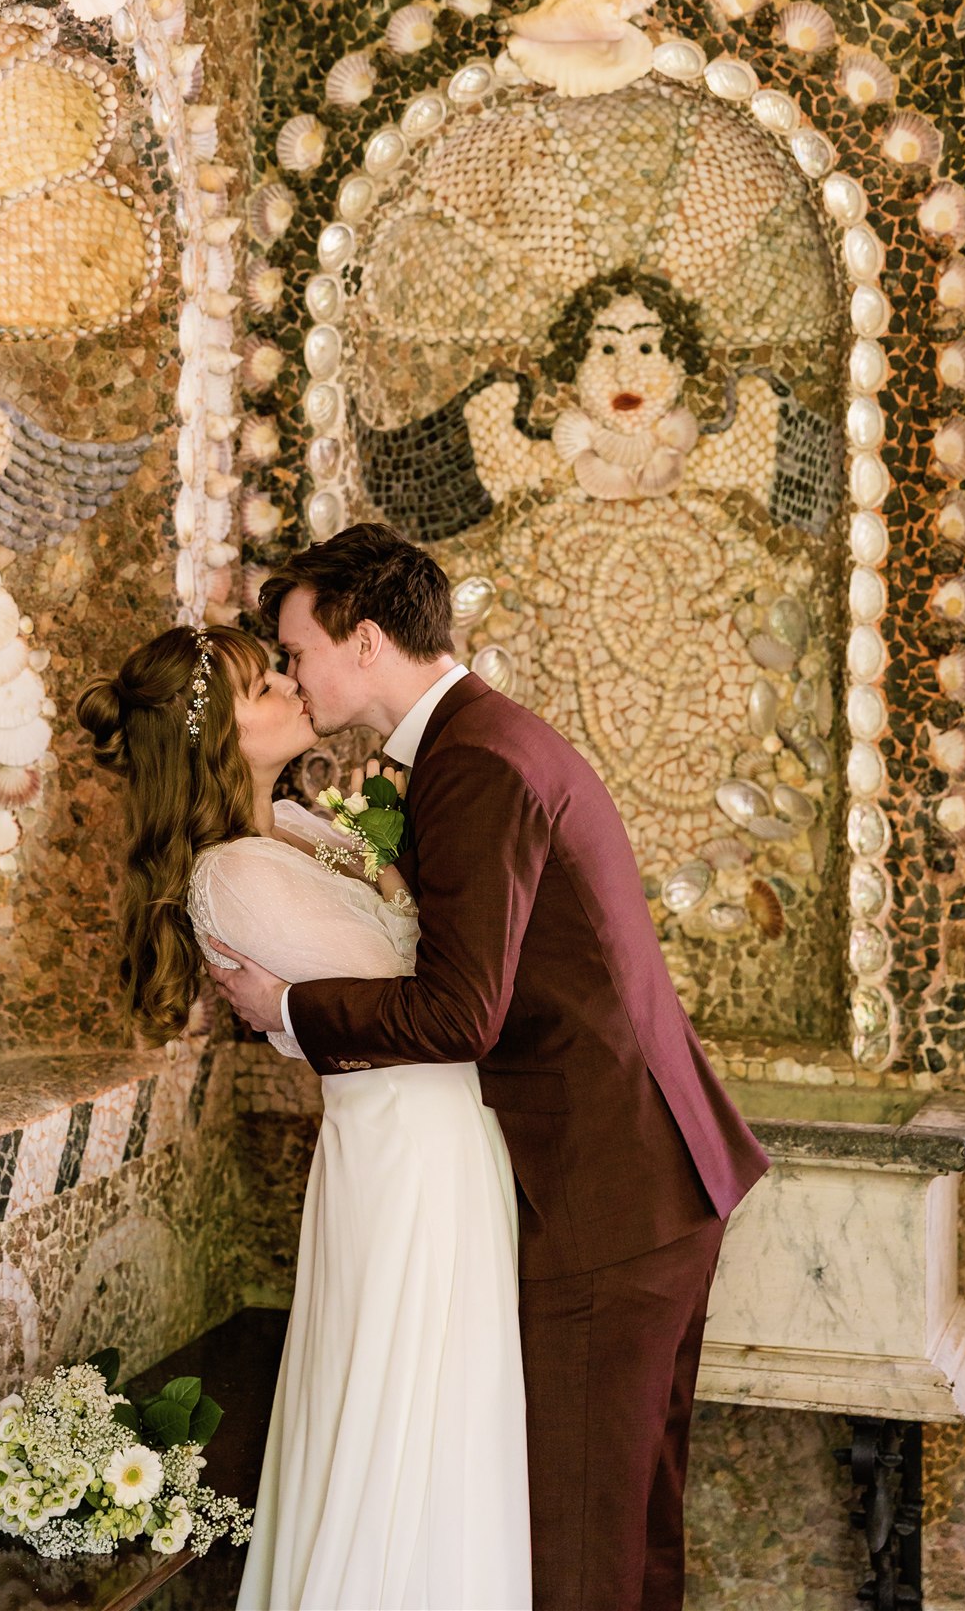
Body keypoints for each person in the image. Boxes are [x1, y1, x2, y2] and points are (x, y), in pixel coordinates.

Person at [207, 522, 770, 1611]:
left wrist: (282, 1004)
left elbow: (462, 1010)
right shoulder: (480, 738)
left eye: (298, 650)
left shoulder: (473, 759)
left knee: (574, 1543)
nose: (294, 674)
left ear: (363, 639)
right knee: (625, 1527)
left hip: (604, 1191)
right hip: (647, 1179)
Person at [76, 623, 531, 1611]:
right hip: (399, 1146)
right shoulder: (233, 872)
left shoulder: (296, 826)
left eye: (280, 666)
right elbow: (425, 992)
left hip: (446, 1136)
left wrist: (400, 863)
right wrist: (418, 874)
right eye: (260, 683)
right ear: (216, 737)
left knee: (453, 1406)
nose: (289, 684)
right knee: (399, 1403)